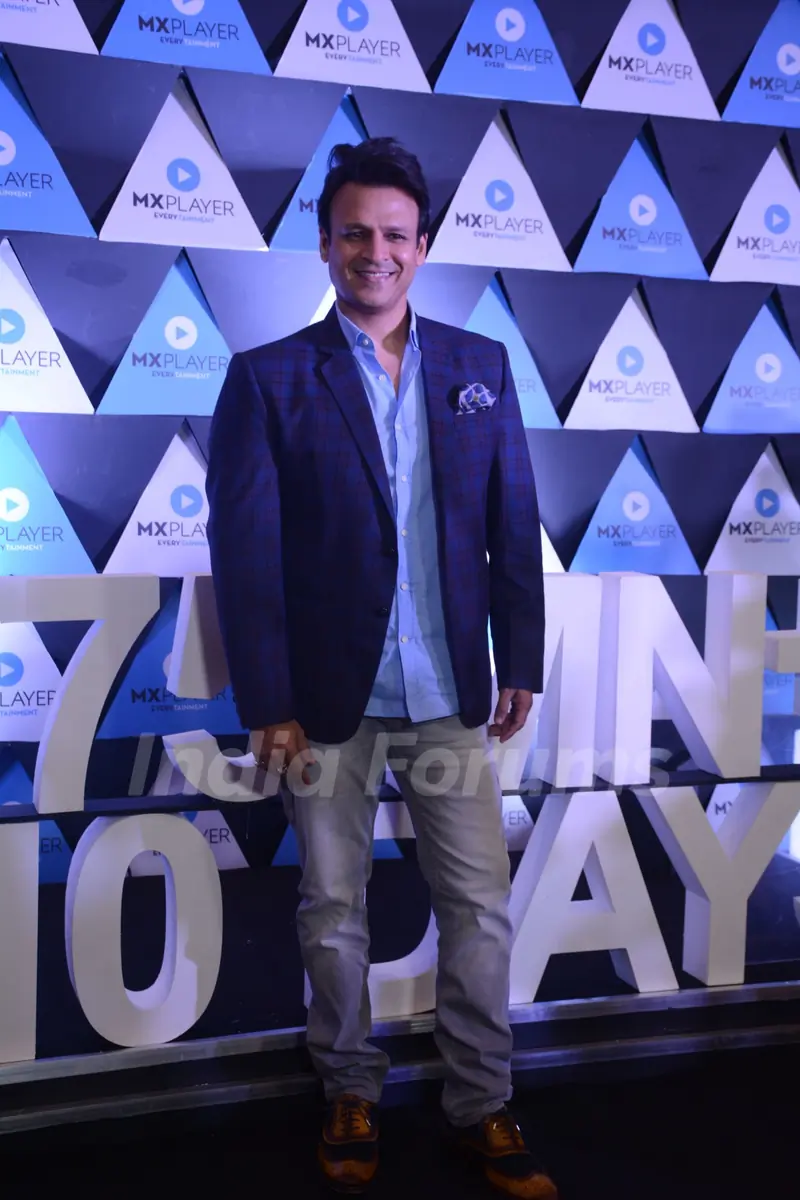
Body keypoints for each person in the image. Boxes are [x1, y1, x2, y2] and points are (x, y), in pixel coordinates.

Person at [206, 138, 552, 1198]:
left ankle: (481, 1104)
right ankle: (349, 1090)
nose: (375, 252)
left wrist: (520, 655)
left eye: (394, 234)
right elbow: (246, 553)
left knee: (479, 908)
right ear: (324, 243)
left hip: (449, 691)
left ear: (423, 245)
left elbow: (512, 520)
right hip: (324, 704)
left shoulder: (479, 366)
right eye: (354, 232)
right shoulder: (267, 377)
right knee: (330, 907)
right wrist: (268, 700)